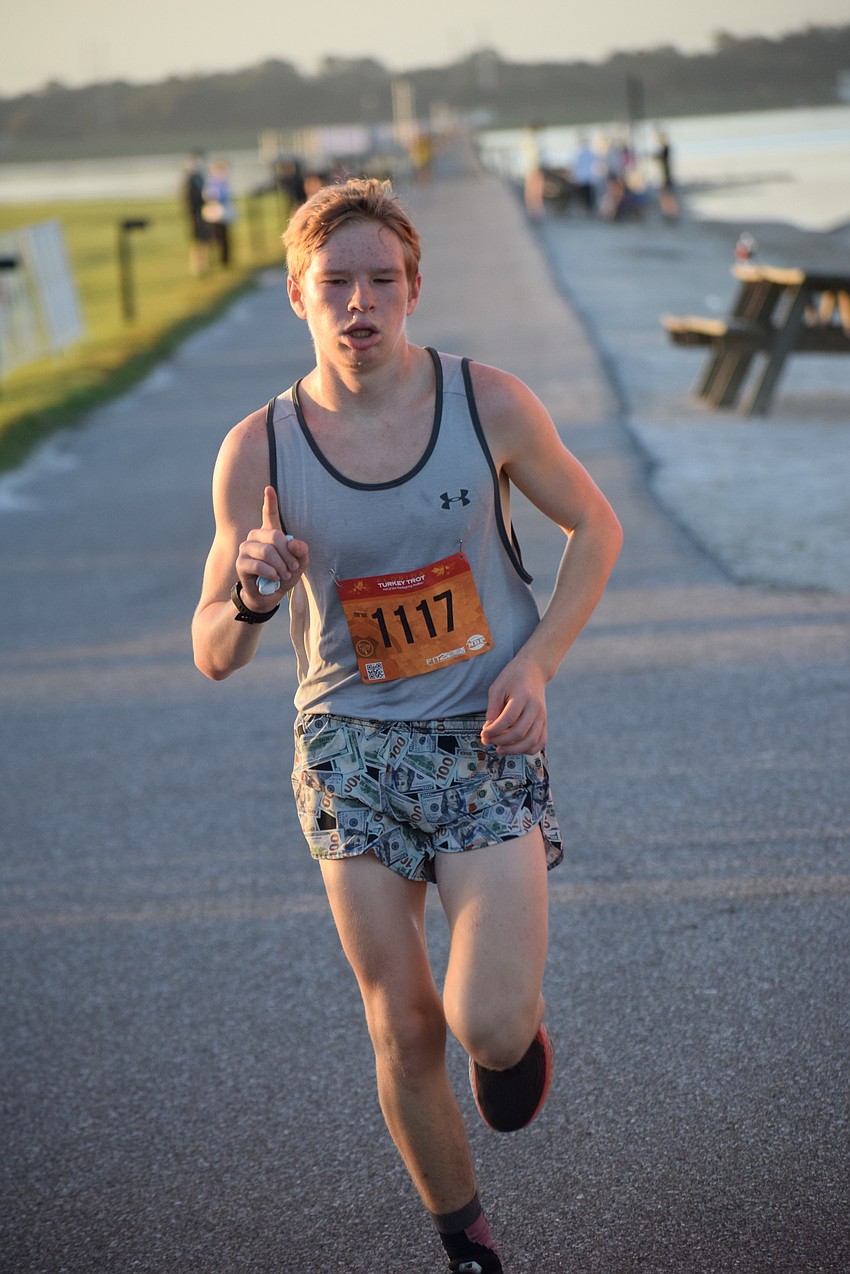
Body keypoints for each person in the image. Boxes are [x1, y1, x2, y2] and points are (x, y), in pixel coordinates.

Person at [192, 178, 622, 1273]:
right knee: (402, 1023)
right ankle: (466, 1244)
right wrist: (250, 593)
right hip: (349, 749)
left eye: (381, 280)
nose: (360, 302)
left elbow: (596, 527)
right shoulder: (258, 451)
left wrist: (537, 661)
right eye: (334, 282)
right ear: (297, 295)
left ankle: (510, 1037)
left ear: (414, 288)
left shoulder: (489, 403)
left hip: (483, 734)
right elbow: (213, 649)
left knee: (487, 1023)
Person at [202, 160, 237, 266]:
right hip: (214, 212)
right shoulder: (212, 182)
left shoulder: (223, 182)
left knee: (223, 236)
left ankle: (224, 259)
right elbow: (208, 195)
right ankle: (216, 258)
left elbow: (226, 195)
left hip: (222, 212)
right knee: (214, 236)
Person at [182, 151, 211, 276]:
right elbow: (189, 201)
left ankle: (204, 263)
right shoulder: (189, 180)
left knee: (205, 239)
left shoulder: (200, 178)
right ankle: (197, 265)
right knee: (196, 240)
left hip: (203, 213)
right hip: (195, 215)